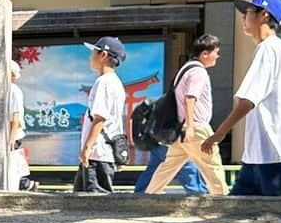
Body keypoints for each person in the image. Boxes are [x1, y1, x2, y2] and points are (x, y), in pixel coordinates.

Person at [203, 0, 281, 196]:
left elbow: (248, 100)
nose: (243, 18)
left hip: (273, 153)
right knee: (234, 216)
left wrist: (220, 133)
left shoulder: (268, 50)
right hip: (258, 156)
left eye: (247, 12)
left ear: (264, 15)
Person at [144, 34, 228, 195]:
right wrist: (190, 126)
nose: (217, 56)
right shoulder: (198, 72)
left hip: (180, 129)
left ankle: (151, 195)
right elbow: (190, 98)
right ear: (204, 53)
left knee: (169, 166)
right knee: (212, 165)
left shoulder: (185, 69)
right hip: (196, 128)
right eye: (215, 52)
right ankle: (222, 201)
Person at [75, 36, 127, 195]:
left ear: (103, 55)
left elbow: (99, 118)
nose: (91, 57)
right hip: (102, 153)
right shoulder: (116, 82)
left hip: (98, 153)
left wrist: (87, 147)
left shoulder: (103, 82)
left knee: (94, 204)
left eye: (94, 53)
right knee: (79, 202)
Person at [134, 143, 207, 195]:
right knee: (188, 170)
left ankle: (141, 195)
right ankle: (200, 197)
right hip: (173, 139)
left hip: (158, 137)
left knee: (154, 168)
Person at [6, 59, 33, 191]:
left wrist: (10, 140)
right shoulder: (9, 90)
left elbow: (15, 117)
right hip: (13, 134)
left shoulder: (13, 90)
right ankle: (27, 185)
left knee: (12, 166)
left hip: (14, 135)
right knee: (14, 165)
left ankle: (22, 186)